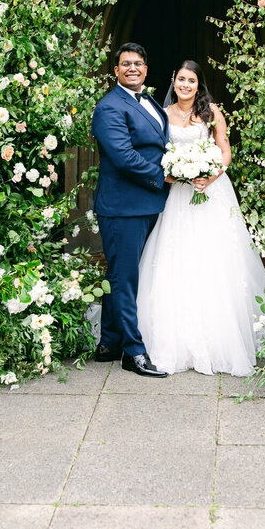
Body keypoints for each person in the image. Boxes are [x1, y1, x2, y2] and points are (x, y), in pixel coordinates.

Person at [137, 59, 265, 376]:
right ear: (174, 81)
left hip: (211, 190)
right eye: (181, 79)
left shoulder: (211, 112)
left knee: (216, 259)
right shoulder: (162, 114)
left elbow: (224, 151)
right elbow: (158, 154)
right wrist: (174, 174)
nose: (186, 85)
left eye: (192, 81)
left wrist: (207, 177)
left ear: (199, 85)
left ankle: (222, 341)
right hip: (181, 195)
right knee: (179, 259)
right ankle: (180, 341)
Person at [91, 42, 169, 377]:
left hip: (146, 204)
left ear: (146, 69)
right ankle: (132, 352)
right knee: (125, 278)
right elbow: (123, 157)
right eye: (125, 64)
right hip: (123, 206)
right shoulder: (109, 107)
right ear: (116, 71)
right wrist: (164, 175)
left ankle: (108, 342)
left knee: (121, 273)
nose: (132, 68)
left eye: (138, 63)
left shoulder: (149, 100)